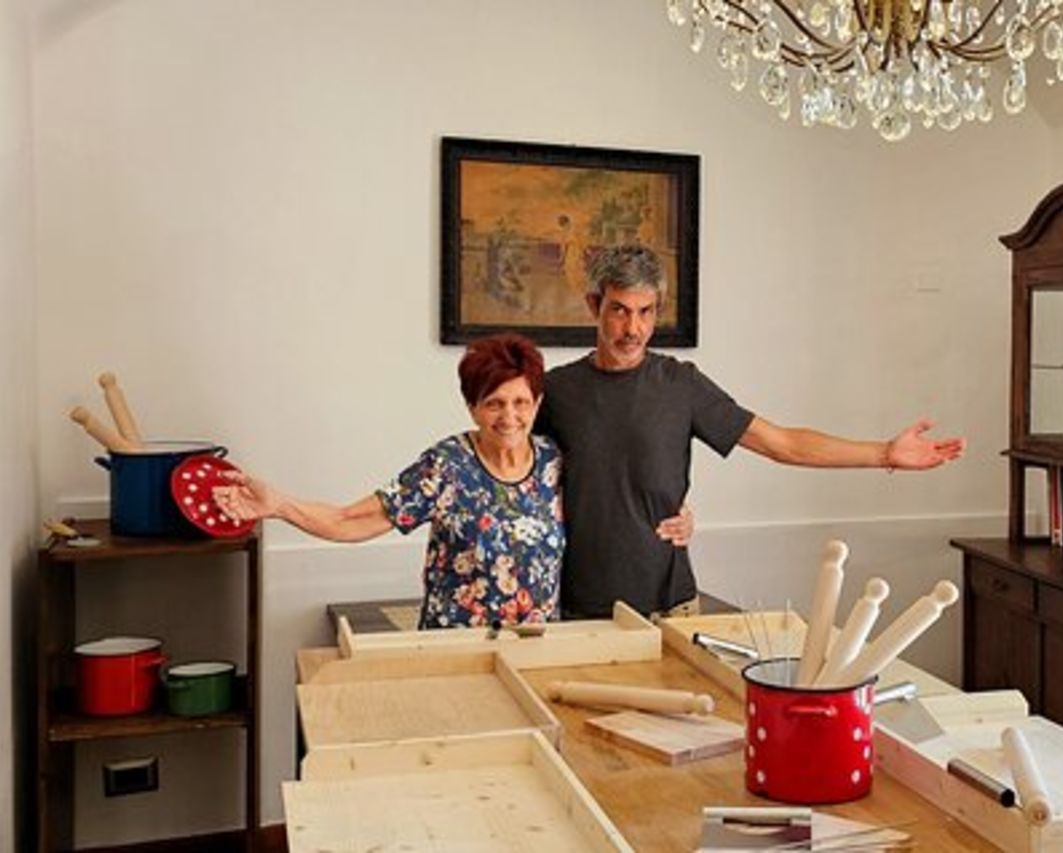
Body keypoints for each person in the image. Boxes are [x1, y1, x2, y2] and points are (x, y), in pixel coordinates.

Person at [536, 245, 966, 620]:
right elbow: (510, 478)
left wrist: (884, 453)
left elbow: (783, 444)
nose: (633, 329)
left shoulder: (681, 384)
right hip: (580, 605)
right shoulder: (555, 392)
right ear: (595, 306)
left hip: (670, 605)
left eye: (645, 312)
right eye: (620, 311)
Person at [214, 335, 597, 628]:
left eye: (520, 402)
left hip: (536, 656)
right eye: (494, 402)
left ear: (538, 403)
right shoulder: (447, 466)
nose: (509, 416)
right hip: (455, 661)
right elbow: (350, 520)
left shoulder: (554, 461)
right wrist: (278, 505)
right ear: (472, 407)